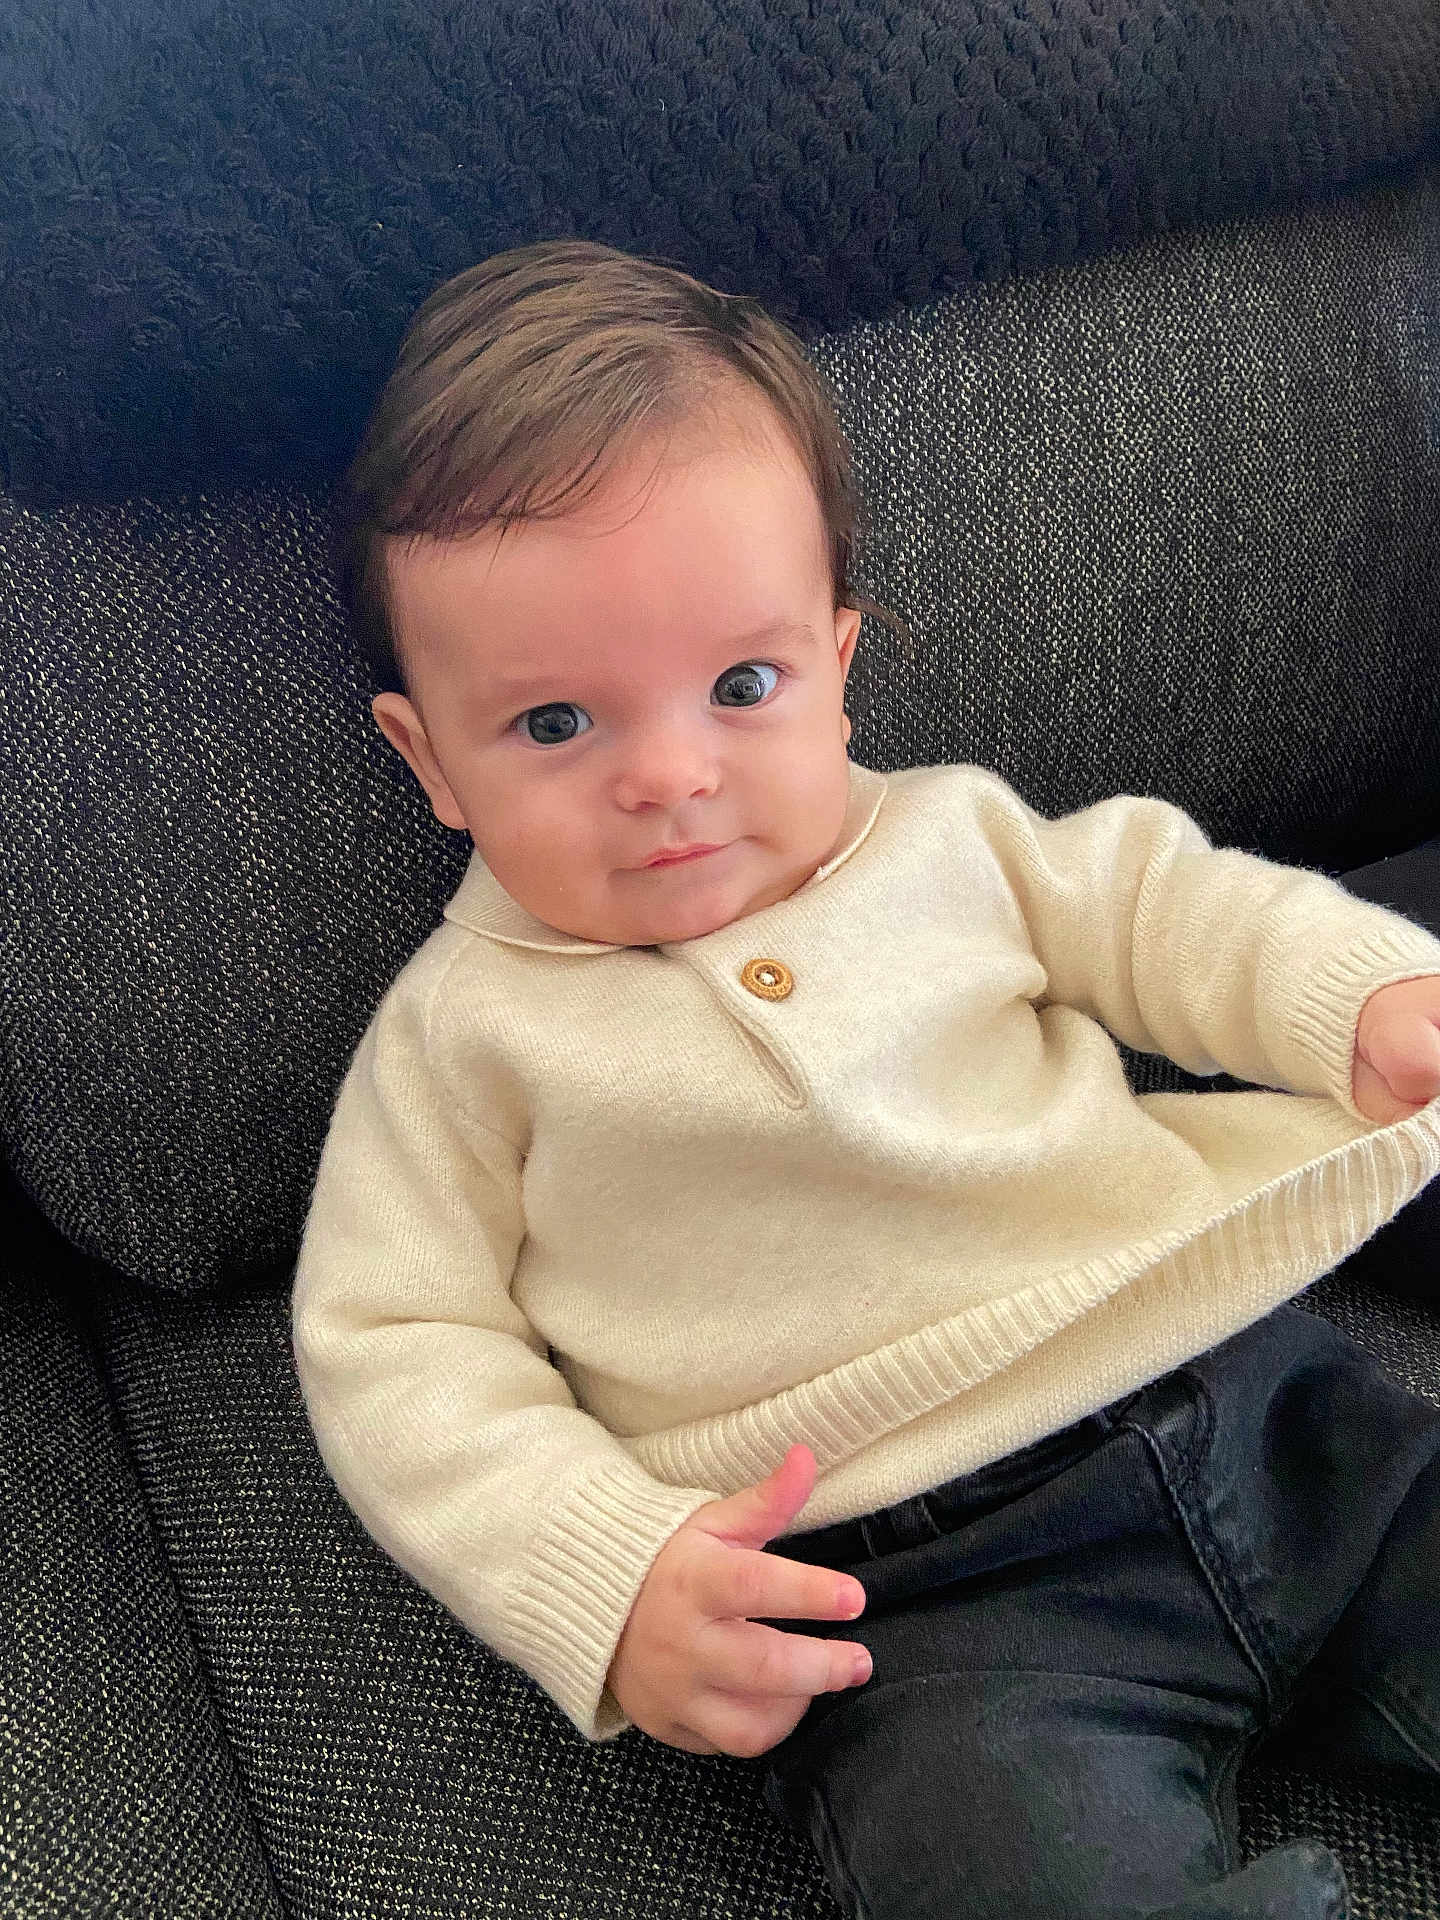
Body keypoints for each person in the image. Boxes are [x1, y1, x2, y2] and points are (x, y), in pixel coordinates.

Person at [292, 237, 1440, 1919]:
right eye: (554, 726)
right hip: (927, 1615)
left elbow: (1163, 908)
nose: (669, 778)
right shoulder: (463, 1039)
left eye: (741, 687)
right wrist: (604, 1574)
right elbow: (397, 1348)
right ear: (429, 759)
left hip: (1261, 1398)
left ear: (838, 658)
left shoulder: (955, 834)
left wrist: (1356, 989)